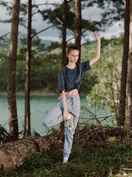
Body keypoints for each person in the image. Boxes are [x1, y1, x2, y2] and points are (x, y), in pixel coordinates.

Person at [42, 31, 100, 163]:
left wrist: (98, 41)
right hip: (64, 100)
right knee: (46, 122)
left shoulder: (81, 67)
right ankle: (68, 117)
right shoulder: (63, 71)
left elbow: (97, 56)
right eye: (72, 55)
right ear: (67, 55)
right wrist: (66, 111)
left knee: (70, 131)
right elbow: (62, 91)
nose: (75, 58)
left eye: (77, 56)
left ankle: (65, 159)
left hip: (76, 101)